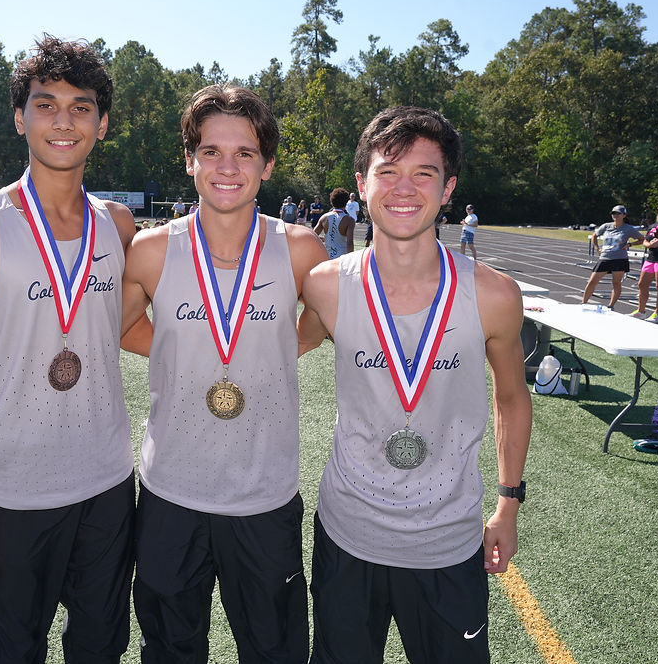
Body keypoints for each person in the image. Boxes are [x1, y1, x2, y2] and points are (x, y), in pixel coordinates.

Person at [0, 36, 142, 664]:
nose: (63, 120)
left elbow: (133, 329)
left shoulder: (118, 226)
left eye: (81, 106)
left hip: (108, 487)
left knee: (99, 650)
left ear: (103, 122)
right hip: (12, 495)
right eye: (46, 104)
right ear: (20, 116)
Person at [300, 106, 532, 664]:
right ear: (361, 184)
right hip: (347, 535)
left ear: (448, 188)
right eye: (387, 171)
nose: (404, 188)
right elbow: (264, 356)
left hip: (447, 542)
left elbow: (511, 397)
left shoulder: (495, 294)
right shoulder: (327, 286)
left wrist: (507, 505)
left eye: (424, 173)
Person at [120, 84, 327, 663]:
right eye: (211, 151)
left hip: (264, 495)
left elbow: (328, 319)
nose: (227, 167)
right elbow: (110, 327)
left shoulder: (301, 249)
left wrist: (279, 350)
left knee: (274, 650)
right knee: (170, 649)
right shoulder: (152, 249)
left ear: (268, 164)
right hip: (171, 492)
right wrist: (178, 351)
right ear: (190, 161)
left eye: (244, 153)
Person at [581, 205, 643, 309]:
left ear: (624, 215)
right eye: (614, 213)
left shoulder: (628, 228)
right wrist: (597, 248)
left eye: (618, 213)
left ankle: (611, 305)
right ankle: (583, 303)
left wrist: (630, 244)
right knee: (592, 281)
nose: (615, 215)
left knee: (616, 283)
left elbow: (642, 239)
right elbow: (594, 235)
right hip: (605, 258)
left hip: (619, 259)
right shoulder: (606, 226)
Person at [314, 187, 356, 259]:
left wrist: (324, 239)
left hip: (327, 258)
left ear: (332, 201)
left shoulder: (324, 217)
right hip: (342, 259)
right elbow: (350, 243)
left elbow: (312, 236)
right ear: (346, 202)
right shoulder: (349, 220)